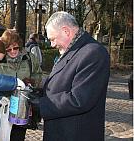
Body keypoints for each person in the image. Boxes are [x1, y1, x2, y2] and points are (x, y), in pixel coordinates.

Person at [29, 11, 110, 141]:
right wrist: (37, 91)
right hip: (60, 131)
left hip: (75, 134)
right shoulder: (72, 50)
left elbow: (79, 99)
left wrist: (40, 104)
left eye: (52, 39)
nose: (52, 44)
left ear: (66, 31)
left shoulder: (93, 53)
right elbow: (61, 82)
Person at [0, 29, 42, 141]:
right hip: (4, 106)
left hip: (22, 106)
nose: (12, 51)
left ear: (20, 46)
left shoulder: (29, 58)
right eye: (8, 49)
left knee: (18, 136)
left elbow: (38, 73)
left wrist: (32, 81)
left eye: (15, 47)